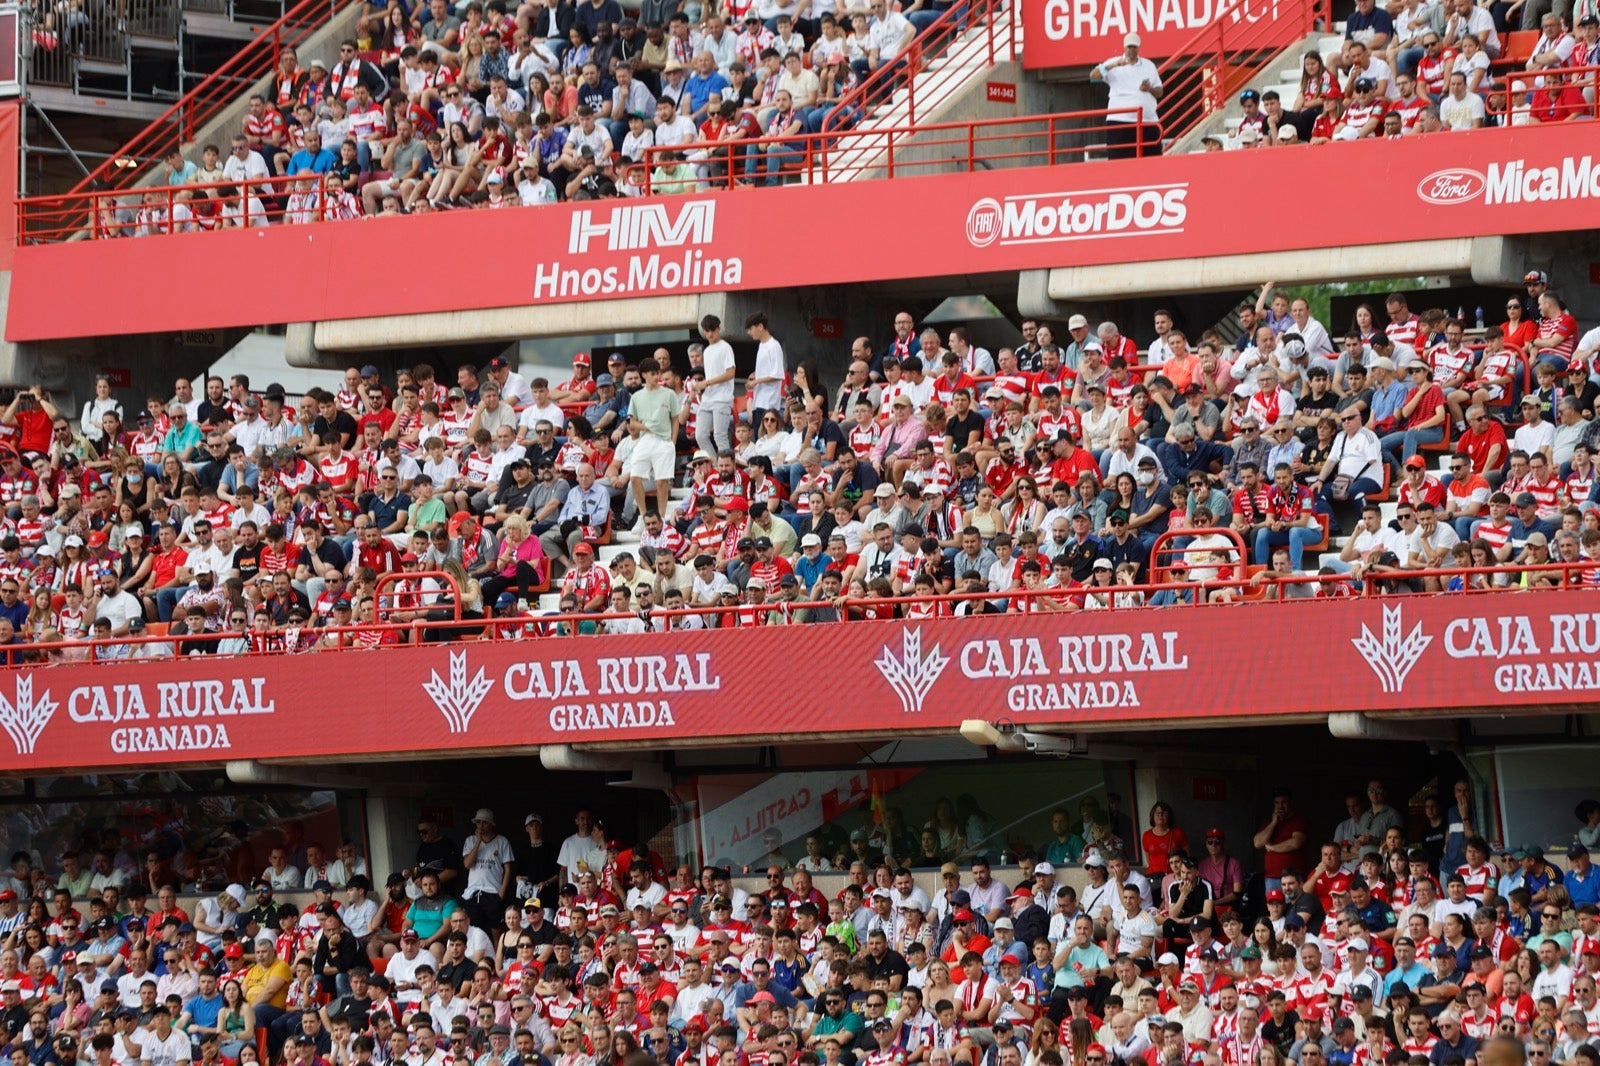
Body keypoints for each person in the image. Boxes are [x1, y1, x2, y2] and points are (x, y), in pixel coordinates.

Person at [1090, 33, 1162, 158]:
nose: (1131, 50)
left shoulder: (1148, 65)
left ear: (1138, 48)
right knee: (1119, 162)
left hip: (1147, 122)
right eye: (1129, 47)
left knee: (1152, 162)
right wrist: (1115, 65)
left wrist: (1149, 88)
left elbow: (1160, 91)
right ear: (1124, 47)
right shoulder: (1114, 62)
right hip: (1120, 122)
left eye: (1134, 47)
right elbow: (1093, 76)